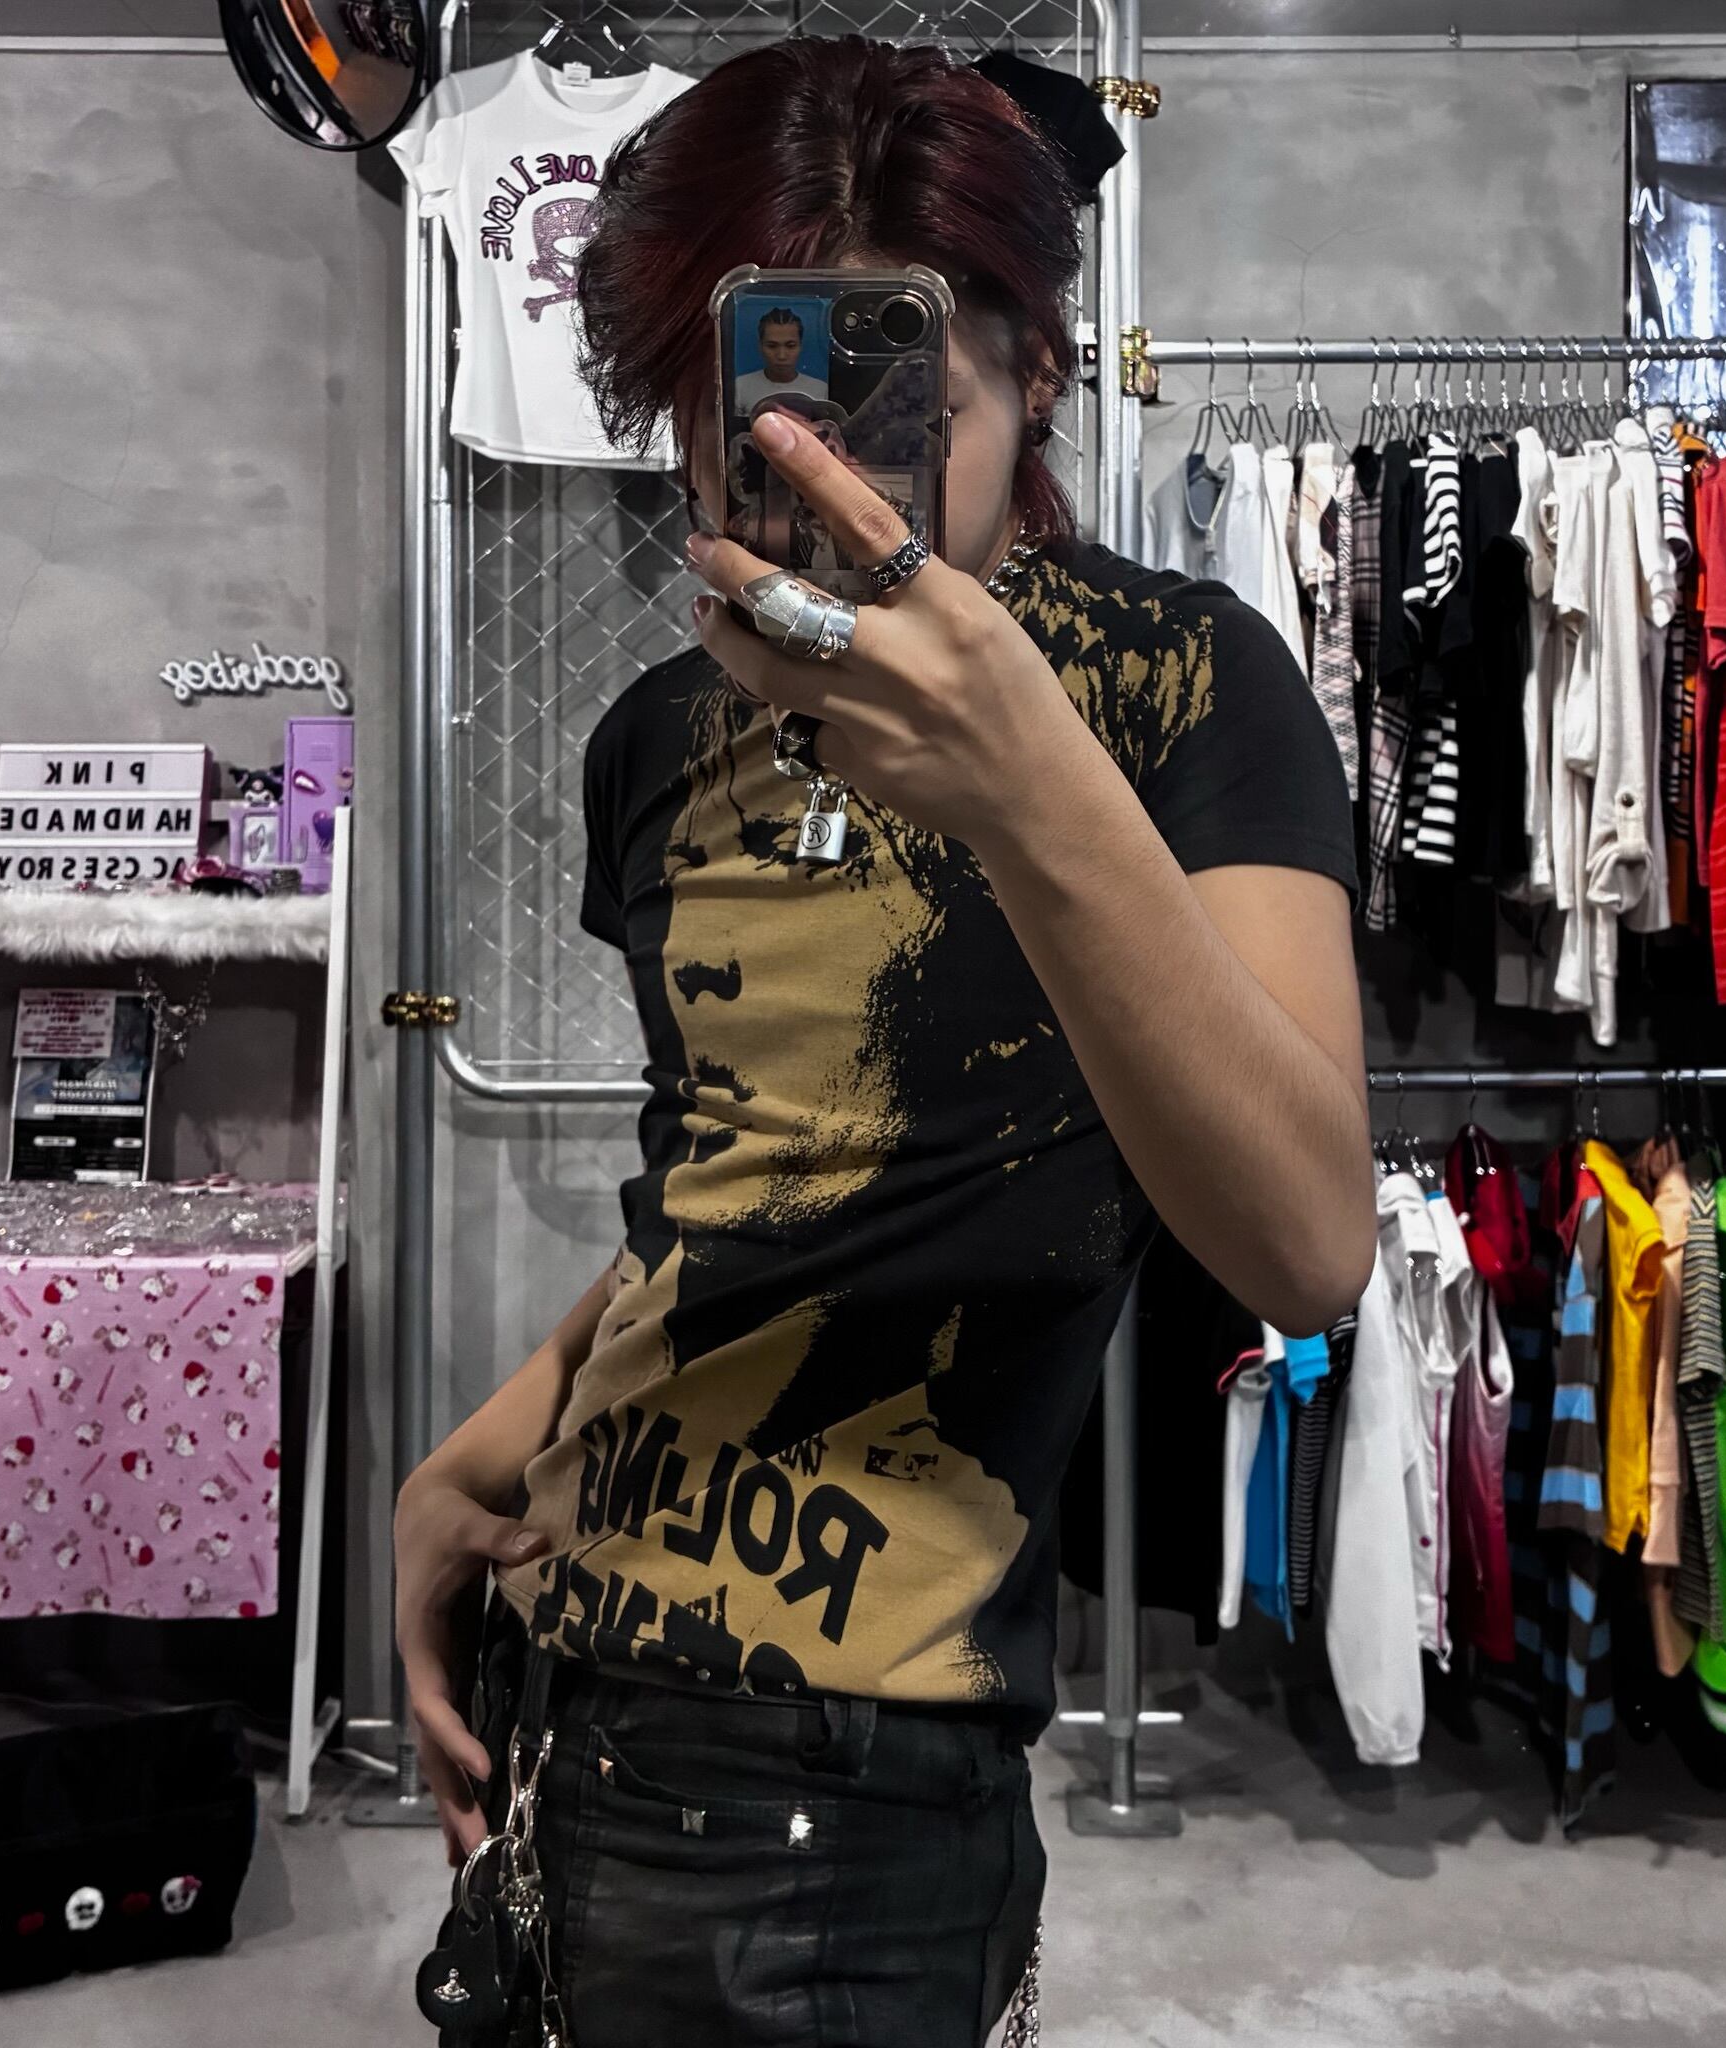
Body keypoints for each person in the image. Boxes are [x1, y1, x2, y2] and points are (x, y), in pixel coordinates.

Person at [396, 35, 1374, 2048]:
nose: (822, 476)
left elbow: (1304, 1243)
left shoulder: (1183, 689)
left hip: (851, 1784)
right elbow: (744, 1187)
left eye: (898, 397)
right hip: (554, 1681)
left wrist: (1027, 785)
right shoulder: (659, 740)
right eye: (743, 406)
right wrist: (483, 1450)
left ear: (1038, 376)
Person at [734, 304, 831, 414]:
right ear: (760, 346)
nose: (781, 356)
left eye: (790, 346)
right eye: (772, 346)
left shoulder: (820, 390)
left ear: (800, 346)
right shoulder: (741, 387)